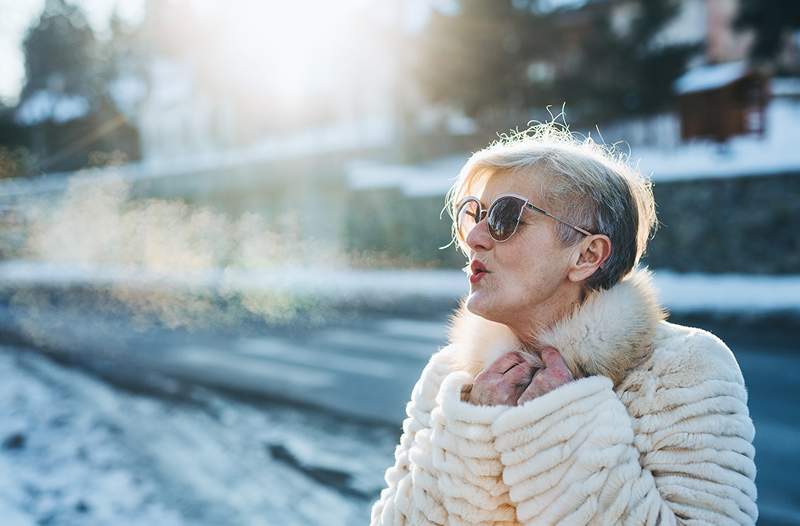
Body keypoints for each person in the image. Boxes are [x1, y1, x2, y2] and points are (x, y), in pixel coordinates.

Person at [369, 124, 757, 525]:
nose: (477, 238)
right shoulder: (450, 378)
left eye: (506, 217)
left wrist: (559, 421)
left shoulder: (688, 366)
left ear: (587, 255)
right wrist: (473, 431)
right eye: (474, 214)